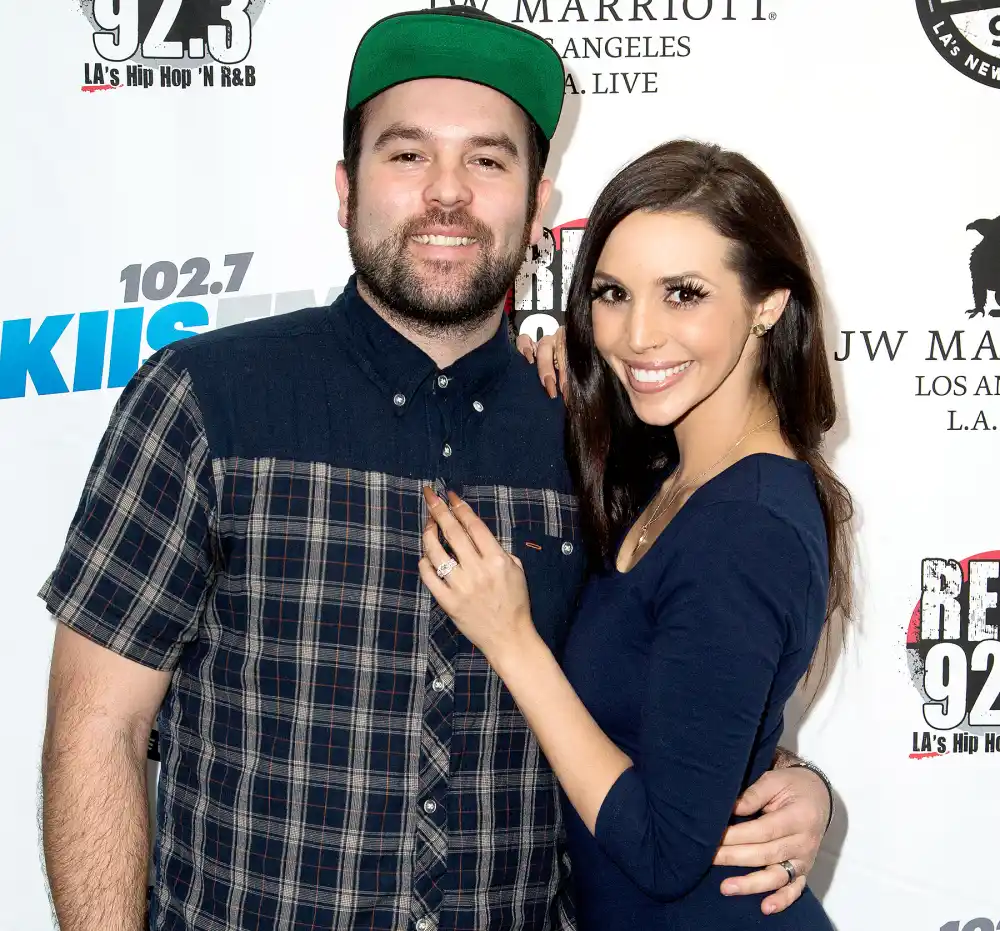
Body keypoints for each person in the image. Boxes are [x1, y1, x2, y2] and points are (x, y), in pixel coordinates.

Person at [38, 8, 834, 931]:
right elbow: (99, 728)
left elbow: (686, 682)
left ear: (539, 210)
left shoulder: (610, 434)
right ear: (345, 188)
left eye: (489, 160)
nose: (447, 194)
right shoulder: (204, 402)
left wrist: (788, 780)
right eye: (407, 155)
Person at [419, 139, 851, 928]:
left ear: (768, 303)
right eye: (614, 294)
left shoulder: (749, 523)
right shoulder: (669, 475)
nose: (637, 334)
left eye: (684, 293)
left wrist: (512, 642)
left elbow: (662, 850)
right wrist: (559, 367)